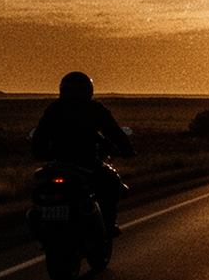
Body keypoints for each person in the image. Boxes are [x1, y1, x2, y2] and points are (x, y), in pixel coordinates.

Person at [31, 71, 133, 233]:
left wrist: (39, 152)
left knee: (109, 182)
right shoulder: (93, 108)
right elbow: (114, 132)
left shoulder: (55, 108)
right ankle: (108, 225)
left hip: (59, 163)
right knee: (112, 182)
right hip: (86, 162)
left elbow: (39, 136)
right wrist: (127, 150)